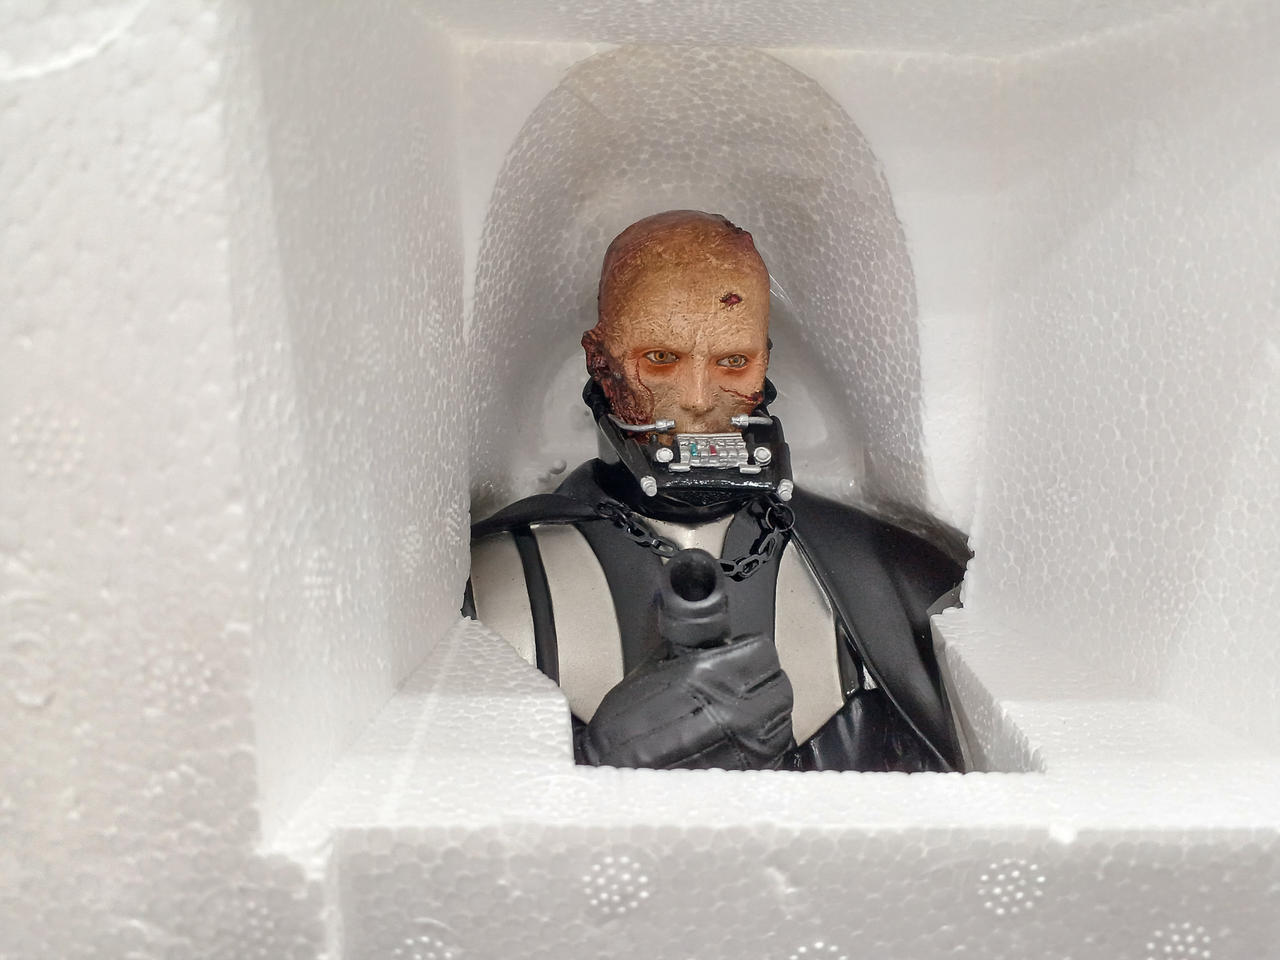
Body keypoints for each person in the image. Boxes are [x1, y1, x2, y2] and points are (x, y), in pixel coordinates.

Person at [466, 210, 967, 772]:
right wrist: (592, 761)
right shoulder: (485, 589)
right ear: (600, 362)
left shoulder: (899, 578)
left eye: (733, 362)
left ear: (764, 362)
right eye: (661, 359)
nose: (700, 399)